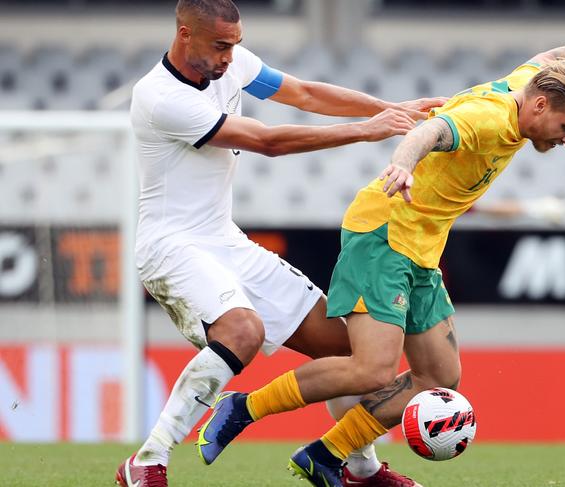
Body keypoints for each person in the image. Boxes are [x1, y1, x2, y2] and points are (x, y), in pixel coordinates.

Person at [197, 32, 565, 487]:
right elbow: (429, 131)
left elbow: (560, 54)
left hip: (421, 249)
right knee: (372, 369)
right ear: (539, 107)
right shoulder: (487, 119)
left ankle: (327, 455)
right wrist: (403, 164)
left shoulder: (529, 84)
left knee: (439, 377)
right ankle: (243, 407)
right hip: (383, 234)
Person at [114, 1, 447, 486]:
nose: (231, 56)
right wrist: (365, 131)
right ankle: (147, 459)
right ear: (185, 34)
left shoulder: (233, 63)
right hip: (171, 245)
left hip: (224, 240)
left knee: (352, 351)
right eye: (220, 45)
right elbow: (267, 141)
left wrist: (388, 110)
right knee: (242, 330)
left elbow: (306, 93)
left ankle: (359, 469)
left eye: (236, 44)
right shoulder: (160, 97)